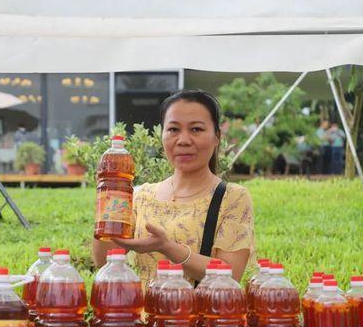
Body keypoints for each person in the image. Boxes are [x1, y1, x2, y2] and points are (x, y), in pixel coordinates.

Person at [92, 90, 255, 284]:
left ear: (216, 137)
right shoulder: (142, 196)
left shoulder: (233, 197)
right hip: (142, 314)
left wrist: (167, 247)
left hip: (197, 314)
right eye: (173, 129)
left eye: (196, 129)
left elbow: (230, 275)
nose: (183, 140)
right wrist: (106, 207)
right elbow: (104, 261)